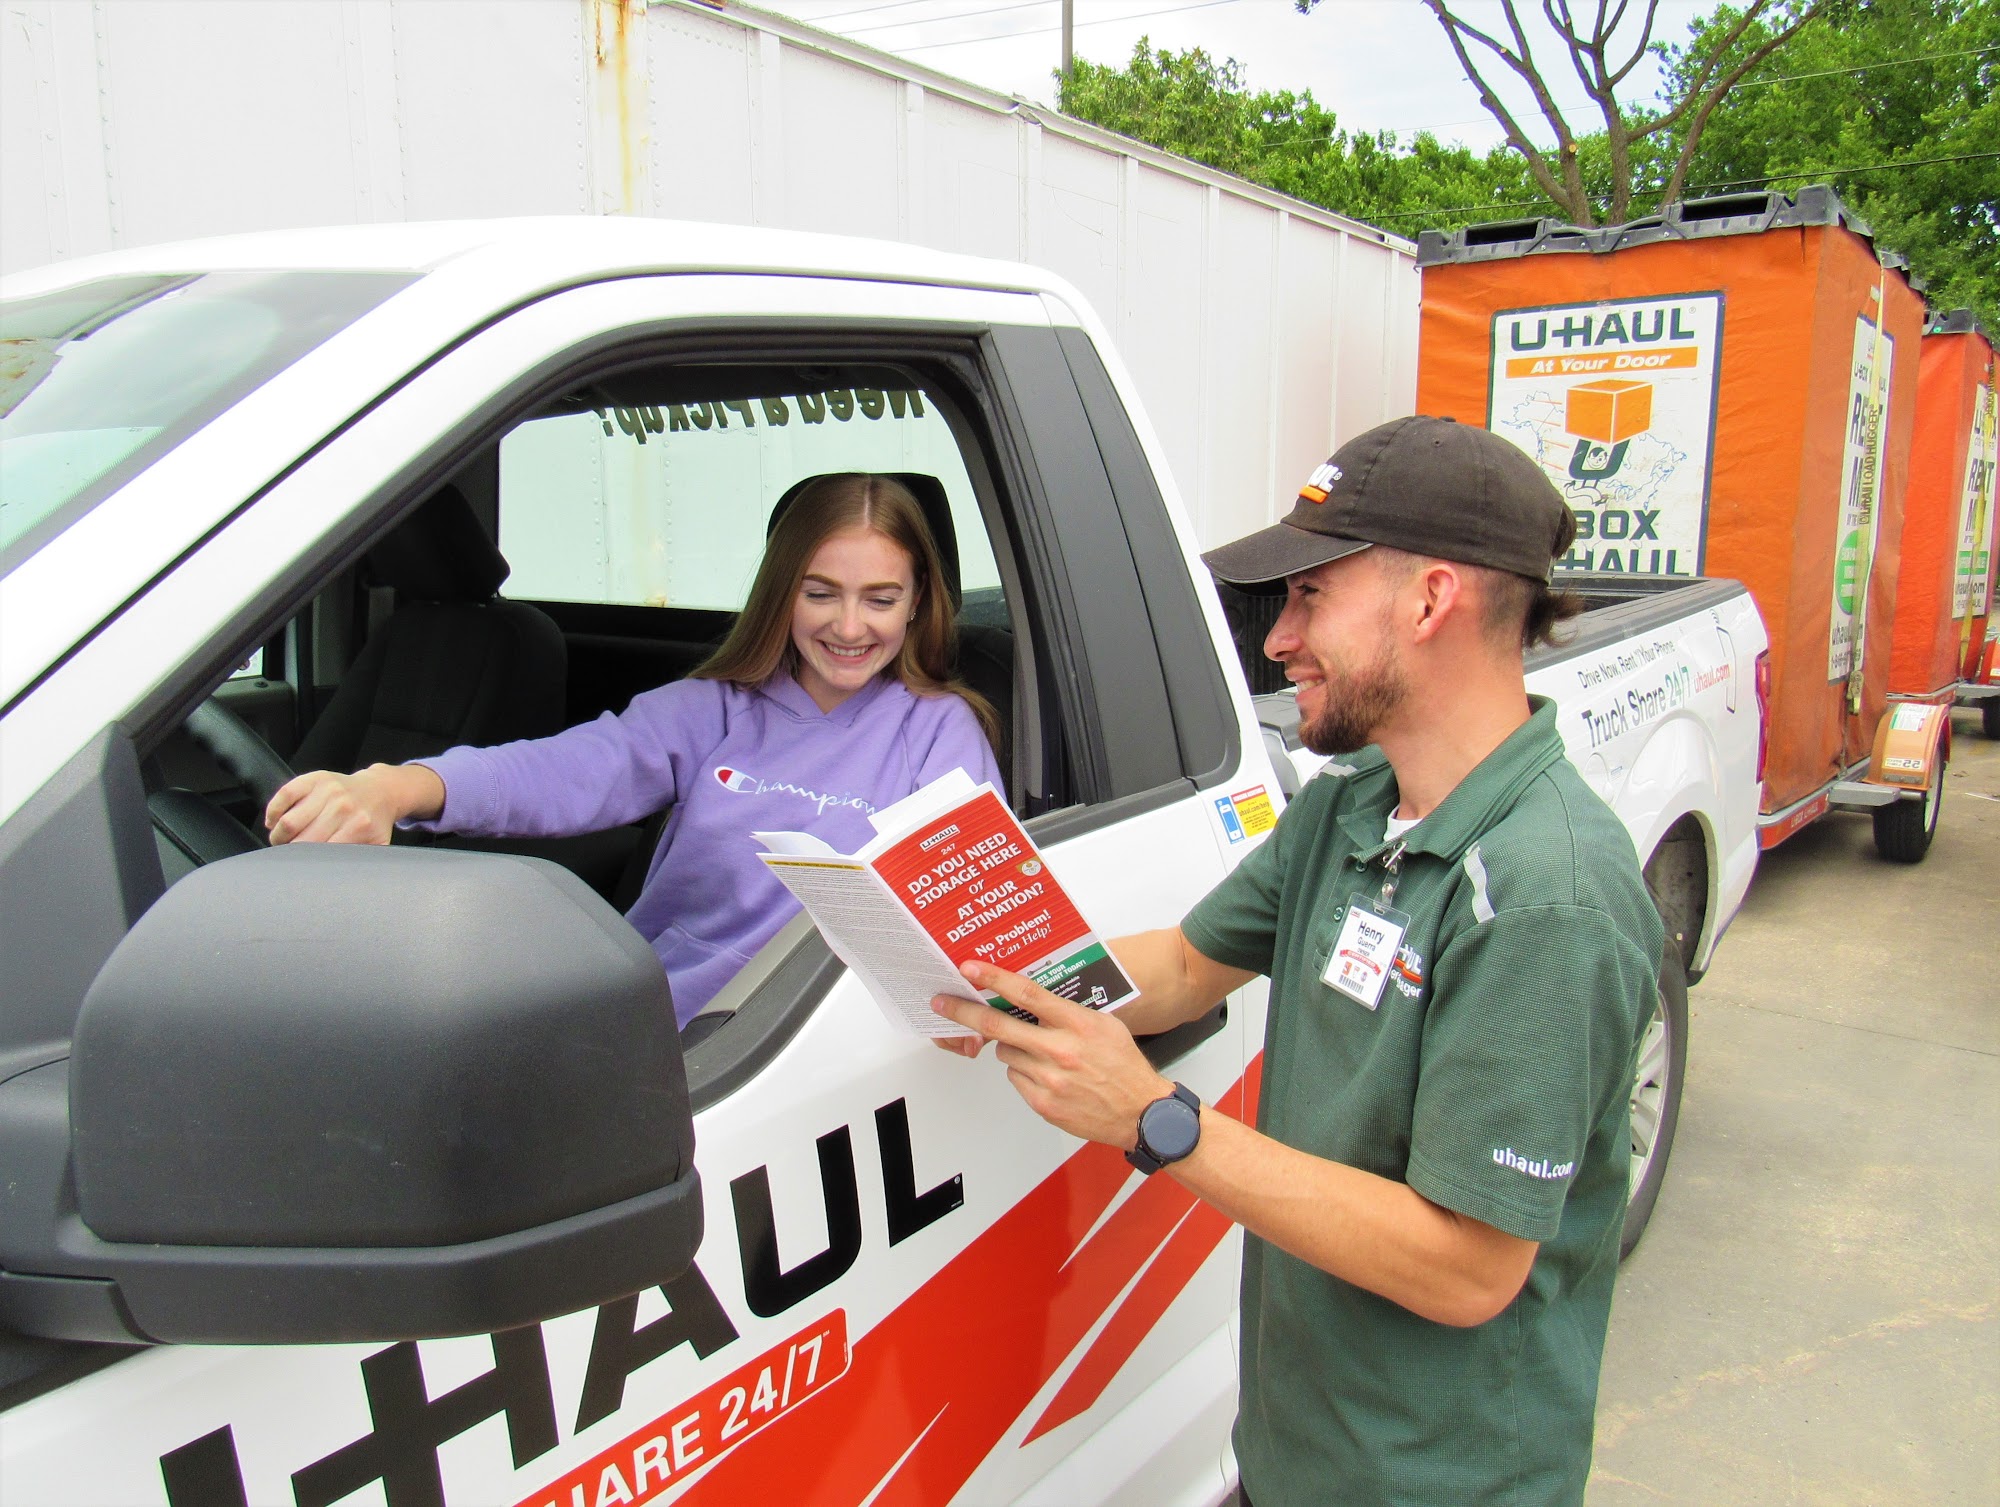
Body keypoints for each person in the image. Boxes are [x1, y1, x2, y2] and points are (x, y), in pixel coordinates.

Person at [932, 417, 1663, 1505]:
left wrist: (1154, 1118)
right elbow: (1187, 965)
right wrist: (1005, 977)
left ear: (1430, 600)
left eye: (1310, 595)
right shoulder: (1354, 805)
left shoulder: (1544, 897)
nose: (1277, 639)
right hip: (1291, 1453)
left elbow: (1468, 1268)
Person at [268, 472, 1006, 1026]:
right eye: (820, 593)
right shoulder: (713, 708)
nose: (848, 626)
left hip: (816, 1050)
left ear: (917, 602)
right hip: (656, 1031)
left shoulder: (939, 731)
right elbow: (568, 769)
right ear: (781, 593)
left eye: (880, 598)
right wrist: (395, 788)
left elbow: (978, 917)